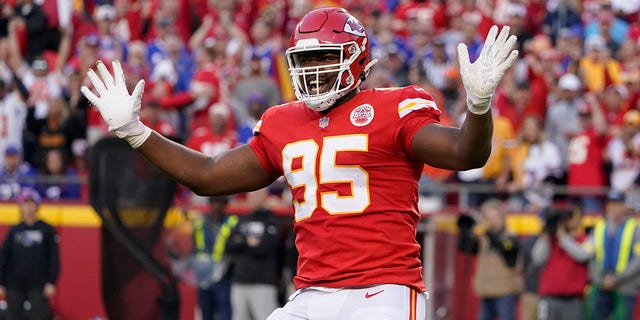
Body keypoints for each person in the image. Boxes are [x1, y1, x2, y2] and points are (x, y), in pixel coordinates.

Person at [81, 7, 519, 319]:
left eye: (325, 56)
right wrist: (136, 132)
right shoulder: (283, 121)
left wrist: (478, 106)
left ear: (358, 59)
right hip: (313, 292)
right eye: (306, 59)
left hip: (384, 288)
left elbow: (466, 153)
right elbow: (208, 176)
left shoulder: (394, 107)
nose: (313, 69)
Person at [0, 188, 60, 320]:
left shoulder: (47, 230)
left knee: (39, 316)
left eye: (31, 204)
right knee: (13, 316)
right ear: (20, 207)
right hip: (14, 284)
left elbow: (54, 258)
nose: (28, 207)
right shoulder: (14, 230)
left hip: (39, 284)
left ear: (37, 206)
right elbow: (4, 257)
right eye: (25, 204)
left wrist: (51, 281)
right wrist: (2, 282)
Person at [457, 199, 522, 320]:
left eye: (494, 217)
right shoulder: (484, 238)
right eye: (488, 218)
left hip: (505, 291)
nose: (491, 222)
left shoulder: (510, 235)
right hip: (486, 291)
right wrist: (465, 230)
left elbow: (504, 247)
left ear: (503, 218)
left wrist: (486, 230)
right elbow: (465, 248)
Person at [225, 189, 281, 320]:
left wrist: (243, 240)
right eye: (251, 196)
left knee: (266, 317)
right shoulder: (242, 219)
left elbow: (264, 248)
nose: (253, 198)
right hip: (240, 281)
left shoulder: (271, 220)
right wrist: (248, 241)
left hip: (263, 282)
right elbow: (230, 245)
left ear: (265, 197)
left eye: (257, 195)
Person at [585, 190, 640, 320]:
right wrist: (598, 279)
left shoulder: (635, 228)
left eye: (617, 204)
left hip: (626, 286)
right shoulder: (600, 227)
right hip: (601, 284)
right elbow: (591, 256)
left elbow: (638, 260)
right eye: (610, 204)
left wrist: (617, 279)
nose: (612, 207)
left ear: (624, 206)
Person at [532, 206, 592, 320]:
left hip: (573, 299)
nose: (570, 220)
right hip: (549, 298)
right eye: (568, 217)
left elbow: (582, 255)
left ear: (581, 219)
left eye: (574, 217)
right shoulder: (551, 239)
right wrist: (545, 236)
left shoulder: (586, 239)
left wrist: (562, 237)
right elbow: (538, 258)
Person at [191, 196, 237, 320]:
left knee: (225, 313)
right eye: (214, 202)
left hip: (223, 277)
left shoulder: (232, 222)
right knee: (206, 313)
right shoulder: (200, 223)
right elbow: (193, 247)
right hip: (204, 276)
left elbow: (235, 248)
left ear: (225, 204)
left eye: (221, 202)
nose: (217, 206)